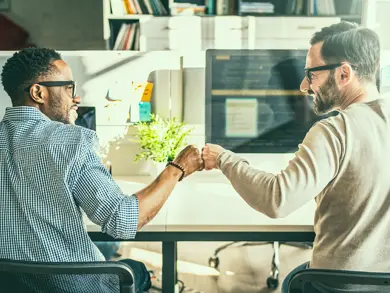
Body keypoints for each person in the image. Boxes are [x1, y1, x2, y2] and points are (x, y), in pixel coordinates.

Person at [202, 21, 387, 293]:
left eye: (311, 74)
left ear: (344, 73)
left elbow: (277, 199)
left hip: (337, 285)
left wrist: (223, 159)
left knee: (292, 282)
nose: (304, 86)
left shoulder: (334, 131)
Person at [0, 47, 203, 292]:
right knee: (136, 270)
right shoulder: (71, 141)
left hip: (9, 283)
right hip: (73, 286)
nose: (75, 98)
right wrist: (178, 168)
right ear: (38, 92)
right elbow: (122, 220)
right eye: (68, 88)